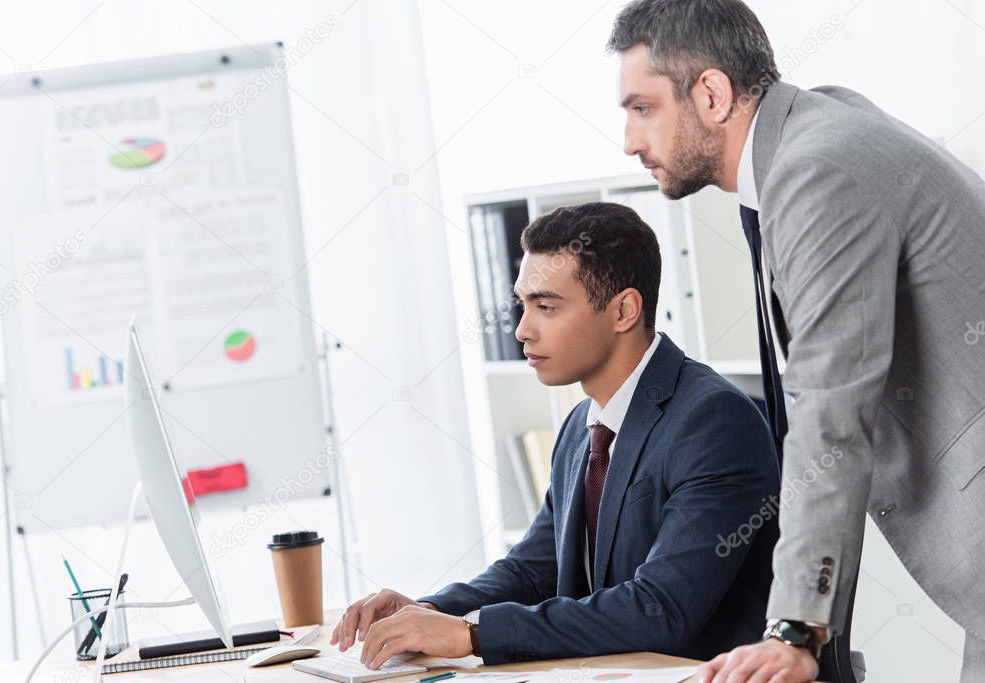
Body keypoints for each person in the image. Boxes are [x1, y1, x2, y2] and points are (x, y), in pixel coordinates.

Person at [606, 2, 985, 682]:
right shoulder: (821, 127)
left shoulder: (818, 170)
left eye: (642, 108)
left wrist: (794, 630)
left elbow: (829, 410)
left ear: (712, 94)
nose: (629, 140)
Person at [330, 202, 780, 668]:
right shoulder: (581, 426)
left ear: (623, 309)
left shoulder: (713, 420)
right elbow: (533, 568)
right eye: (523, 305)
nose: (523, 330)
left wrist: (473, 635)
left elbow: (659, 608)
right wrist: (432, 609)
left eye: (546, 307)